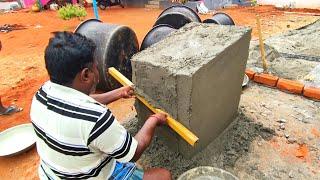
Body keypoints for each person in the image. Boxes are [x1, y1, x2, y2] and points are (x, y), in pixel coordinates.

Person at [30, 31, 171, 180]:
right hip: (92, 176)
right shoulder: (96, 118)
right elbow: (133, 153)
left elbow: (80, 104)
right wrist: (153, 120)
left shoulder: (42, 93)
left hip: (52, 174)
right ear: (85, 75)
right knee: (163, 176)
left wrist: (118, 93)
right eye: (96, 67)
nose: (98, 72)